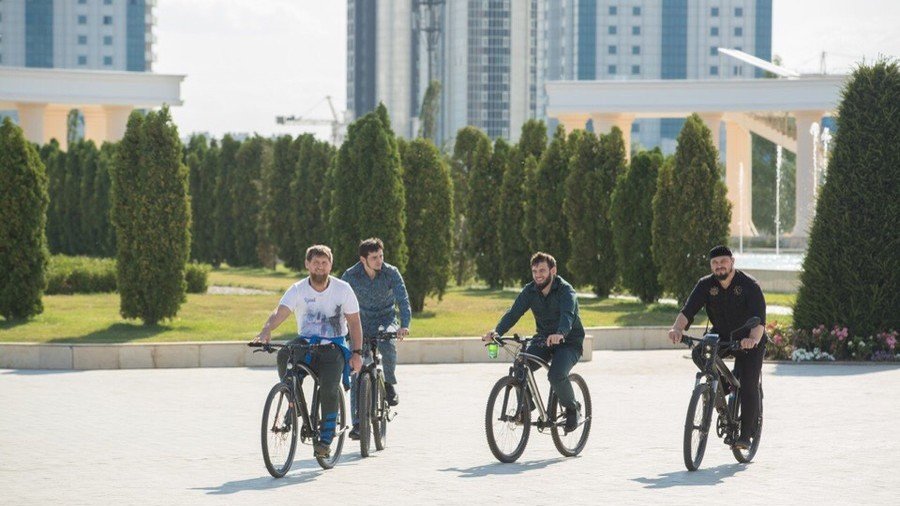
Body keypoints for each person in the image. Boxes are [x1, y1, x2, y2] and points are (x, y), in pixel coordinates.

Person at [253, 245, 363, 457]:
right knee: (285, 353)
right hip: (306, 341)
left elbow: (355, 322)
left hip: (334, 346)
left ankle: (325, 439)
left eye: (324, 263)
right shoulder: (298, 289)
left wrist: (356, 353)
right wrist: (267, 329)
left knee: (330, 387)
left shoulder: (343, 289)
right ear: (307, 264)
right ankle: (291, 397)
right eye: (315, 263)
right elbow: (281, 311)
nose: (320, 267)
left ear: (330, 265)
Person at [668, 245, 767, 450]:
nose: (719, 266)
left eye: (723, 261)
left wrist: (752, 340)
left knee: (748, 384)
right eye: (714, 263)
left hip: (749, 338)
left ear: (732, 262)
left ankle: (746, 436)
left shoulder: (749, 285)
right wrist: (677, 328)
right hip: (721, 336)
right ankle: (724, 386)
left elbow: (759, 322)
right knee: (698, 354)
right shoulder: (705, 285)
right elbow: (688, 311)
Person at [482, 252, 585, 433]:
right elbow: (513, 313)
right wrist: (497, 331)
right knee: (520, 364)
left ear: (553, 270)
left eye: (542, 270)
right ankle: (526, 407)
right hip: (543, 340)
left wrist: (560, 333)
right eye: (535, 271)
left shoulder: (566, 290)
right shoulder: (530, 291)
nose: (538, 275)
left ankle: (572, 408)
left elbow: (568, 315)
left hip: (569, 342)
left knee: (555, 375)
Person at [341, 238, 411, 440]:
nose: (380, 260)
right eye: (374, 257)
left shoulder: (391, 272)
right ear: (363, 259)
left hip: (386, 319)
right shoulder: (351, 275)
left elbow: (403, 300)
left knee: (387, 344)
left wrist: (404, 325)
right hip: (360, 323)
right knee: (357, 371)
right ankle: (357, 424)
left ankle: (388, 383)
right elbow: (340, 301)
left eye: (381, 256)